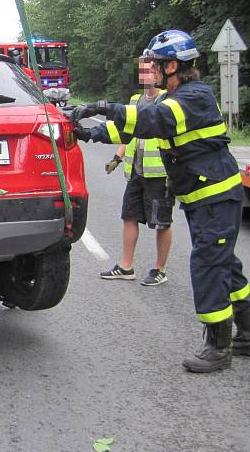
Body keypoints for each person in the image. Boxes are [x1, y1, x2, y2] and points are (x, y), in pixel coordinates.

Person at [71, 30, 249, 373]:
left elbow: (153, 120)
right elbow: (134, 128)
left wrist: (102, 107)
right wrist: (87, 132)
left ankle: (218, 346)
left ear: (173, 65)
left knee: (209, 266)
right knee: (223, 263)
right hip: (203, 198)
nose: (149, 69)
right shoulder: (174, 95)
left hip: (216, 196)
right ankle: (247, 333)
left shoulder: (193, 97)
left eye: (155, 63)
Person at [100, 57, 172, 286]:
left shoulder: (168, 100)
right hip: (136, 171)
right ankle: (125, 266)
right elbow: (126, 133)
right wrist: (117, 158)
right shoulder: (135, 99)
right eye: (140, 71)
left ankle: (159, 269)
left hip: (159, 173)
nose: (144, 75)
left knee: (161, 222)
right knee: (129, 217)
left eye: (148, 70)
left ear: (158, 72)